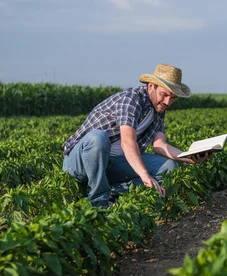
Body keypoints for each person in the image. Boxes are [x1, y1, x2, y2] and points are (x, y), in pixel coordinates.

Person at [62, 63, 209, 208]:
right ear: (151, 86)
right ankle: (98, 200)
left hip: (111, 164)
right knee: (97, 138)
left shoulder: (158, 109)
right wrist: (144, 174)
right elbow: (127, 141)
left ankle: (113, 193)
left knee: (168, 167)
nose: (167, 102)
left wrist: (189, 157)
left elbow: (159, 146)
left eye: (173, 98)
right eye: (164, 95)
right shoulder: (131, 100)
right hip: (80, 163)